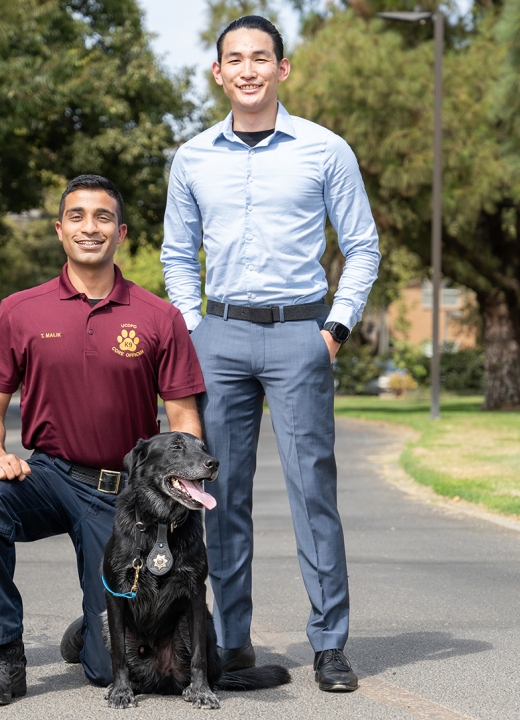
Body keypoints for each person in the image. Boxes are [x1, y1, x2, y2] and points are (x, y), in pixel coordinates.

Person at [160, 15, 381, 693]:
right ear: (219, 73)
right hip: (219, 336)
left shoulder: (324, 151)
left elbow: (363, 246)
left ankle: (330, 644)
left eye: (262, 57)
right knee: (215, 494)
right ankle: (229, 641)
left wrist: (334, 332)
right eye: (237, 59)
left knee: (314, 490)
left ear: (283, 68)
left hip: (299, 334)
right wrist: (196, 329)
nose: (250, 70)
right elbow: (177, 254)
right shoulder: (193, 156)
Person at [0, 174, 205, 705]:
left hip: (124, 500)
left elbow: (182, 417)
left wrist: (179, 496)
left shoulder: (160, 317)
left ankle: (86, 635)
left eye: (103, 217)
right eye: (77, 216)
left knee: (108, 670)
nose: (89, 227)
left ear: (122, 232)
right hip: (48, 476)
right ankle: (3, 657)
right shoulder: (21, 310)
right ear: (60, 229)